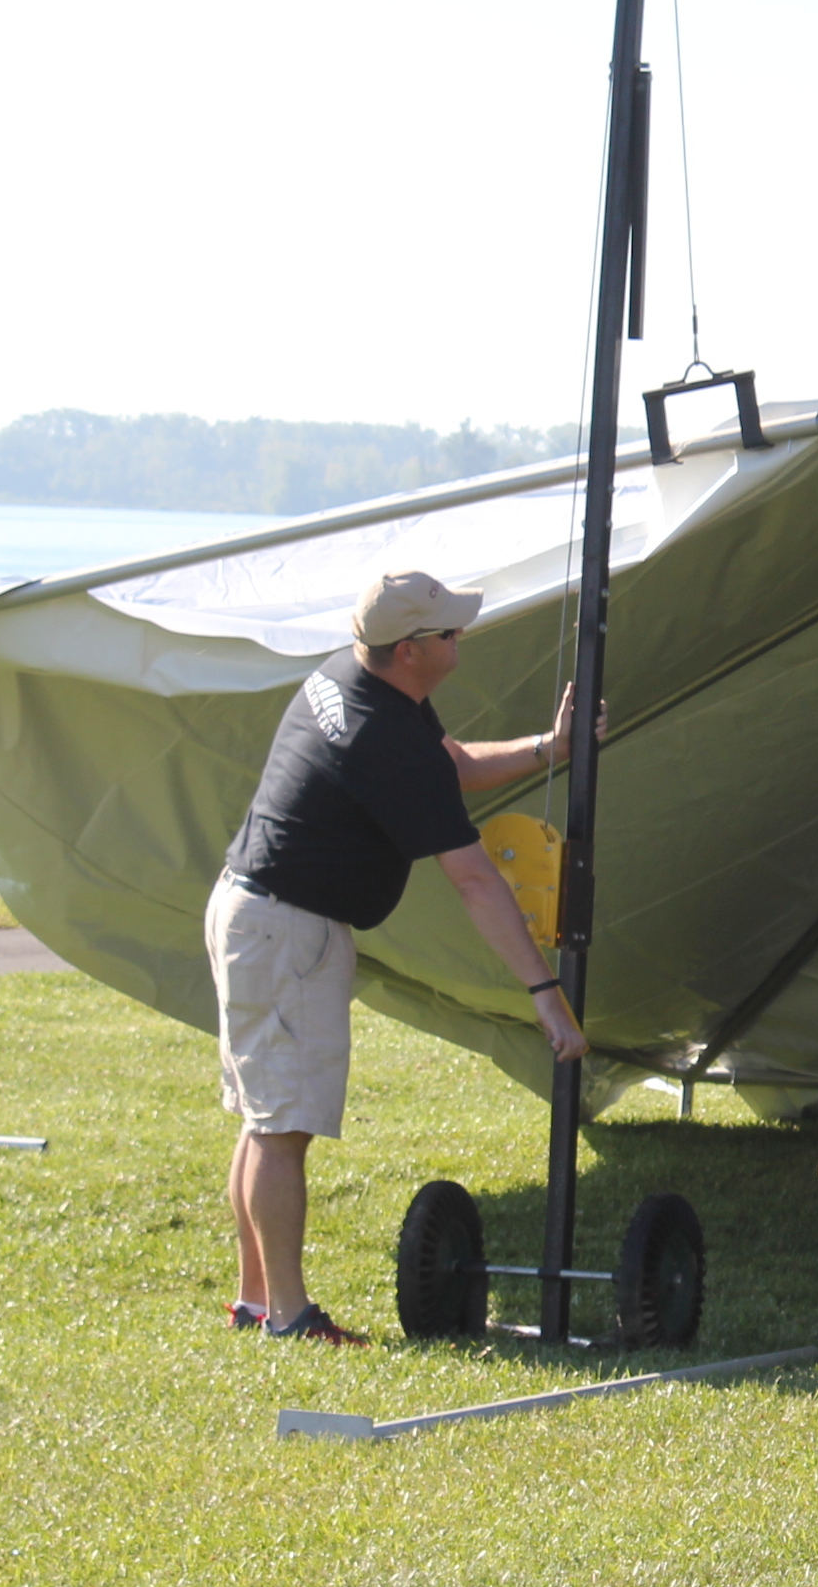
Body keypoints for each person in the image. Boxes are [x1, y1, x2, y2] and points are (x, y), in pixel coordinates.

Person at [207, 568, 589, 1344]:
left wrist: (553, 748)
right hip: (288, 931)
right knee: (282, 1128)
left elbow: (449, 765)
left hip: (250, 911)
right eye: (449, 632)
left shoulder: (353, 677)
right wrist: (545, 993)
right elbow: (476, 880)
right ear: (411, 650)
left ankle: (256, 1301)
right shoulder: (383, 735)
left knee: (262, 1118)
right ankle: (288, 1316)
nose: (460, 638)